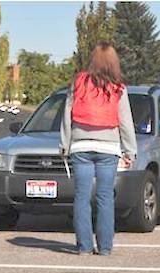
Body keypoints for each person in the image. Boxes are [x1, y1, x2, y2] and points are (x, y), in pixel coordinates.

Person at [60, 42, 137, 256]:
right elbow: (125, 121)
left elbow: (67, 116)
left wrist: (64, 145)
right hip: (108, 147)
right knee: (105, 197)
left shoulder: (78, 82)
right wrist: (130, 150)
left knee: (81, 197)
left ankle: (84, 246)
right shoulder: (118, 86)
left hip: (80, 145)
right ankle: (105, 247)